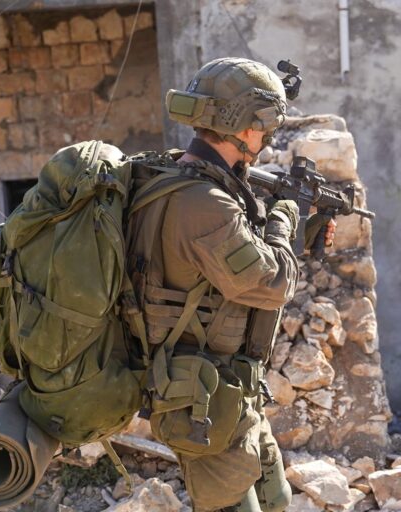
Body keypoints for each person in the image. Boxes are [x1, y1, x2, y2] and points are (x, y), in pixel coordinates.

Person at [124, 57, 334, 512]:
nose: (268, 137)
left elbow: (226, 260)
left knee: (275, 500)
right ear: (238, 124)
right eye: (264, 125)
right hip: (202, 397)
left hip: (232, 390)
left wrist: (295, 226)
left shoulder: (195, 183)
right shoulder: (202, 202)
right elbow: (271, 282)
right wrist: (285, 216)